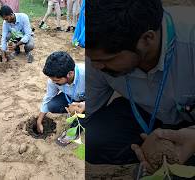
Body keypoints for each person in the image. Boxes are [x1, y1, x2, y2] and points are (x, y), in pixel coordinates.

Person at [85, 0, 195, 166]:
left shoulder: (190, 39)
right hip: (144, 111)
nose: (96, 66)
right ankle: (150, 158)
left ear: (147, 39)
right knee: (92, 140)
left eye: (107, 60)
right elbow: (89, 110)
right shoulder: (98, 57)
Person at [36, 51, 85, 146]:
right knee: (52, 105)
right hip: (71, 98)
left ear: (70, 74)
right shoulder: (54, 80)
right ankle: (73, 112)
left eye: (57, 80)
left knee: (88, 114)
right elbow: (48, 97)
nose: (53, 82)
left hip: (91, 99)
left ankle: (75, 128)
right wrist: (39, 121)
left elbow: (103, 96)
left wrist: (85, 105)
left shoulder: (87, 74)